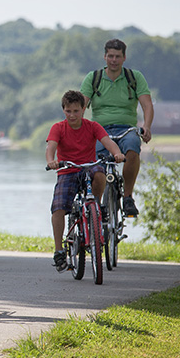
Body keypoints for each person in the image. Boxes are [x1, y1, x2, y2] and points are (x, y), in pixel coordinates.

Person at [46, 90, 124, 272]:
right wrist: (51, 161)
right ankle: (59, 251)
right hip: (67, 170)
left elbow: (108, 142)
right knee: (58, 207)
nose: (72, 115)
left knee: (100, 173)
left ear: (83, 109)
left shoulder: (92, 126)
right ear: (63, 111)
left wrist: (117, 153)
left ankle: (95, 206)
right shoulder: (58, 128)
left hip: (89, 167)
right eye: (68, 111)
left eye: (76, 111)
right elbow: (51, 147)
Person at [80, 38, 154, 217]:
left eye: (118, 56)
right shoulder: (94, 78)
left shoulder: (134, 77)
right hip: (100, 130)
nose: (114, 60)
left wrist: (147, 126)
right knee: (97, 164)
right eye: (110, 56)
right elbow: (81, 105)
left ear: (124, 58)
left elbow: (147, 105)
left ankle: (128, 196)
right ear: (104, 57)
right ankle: (96, 208)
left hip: (126, 128)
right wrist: (79, 129)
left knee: (132, 149)